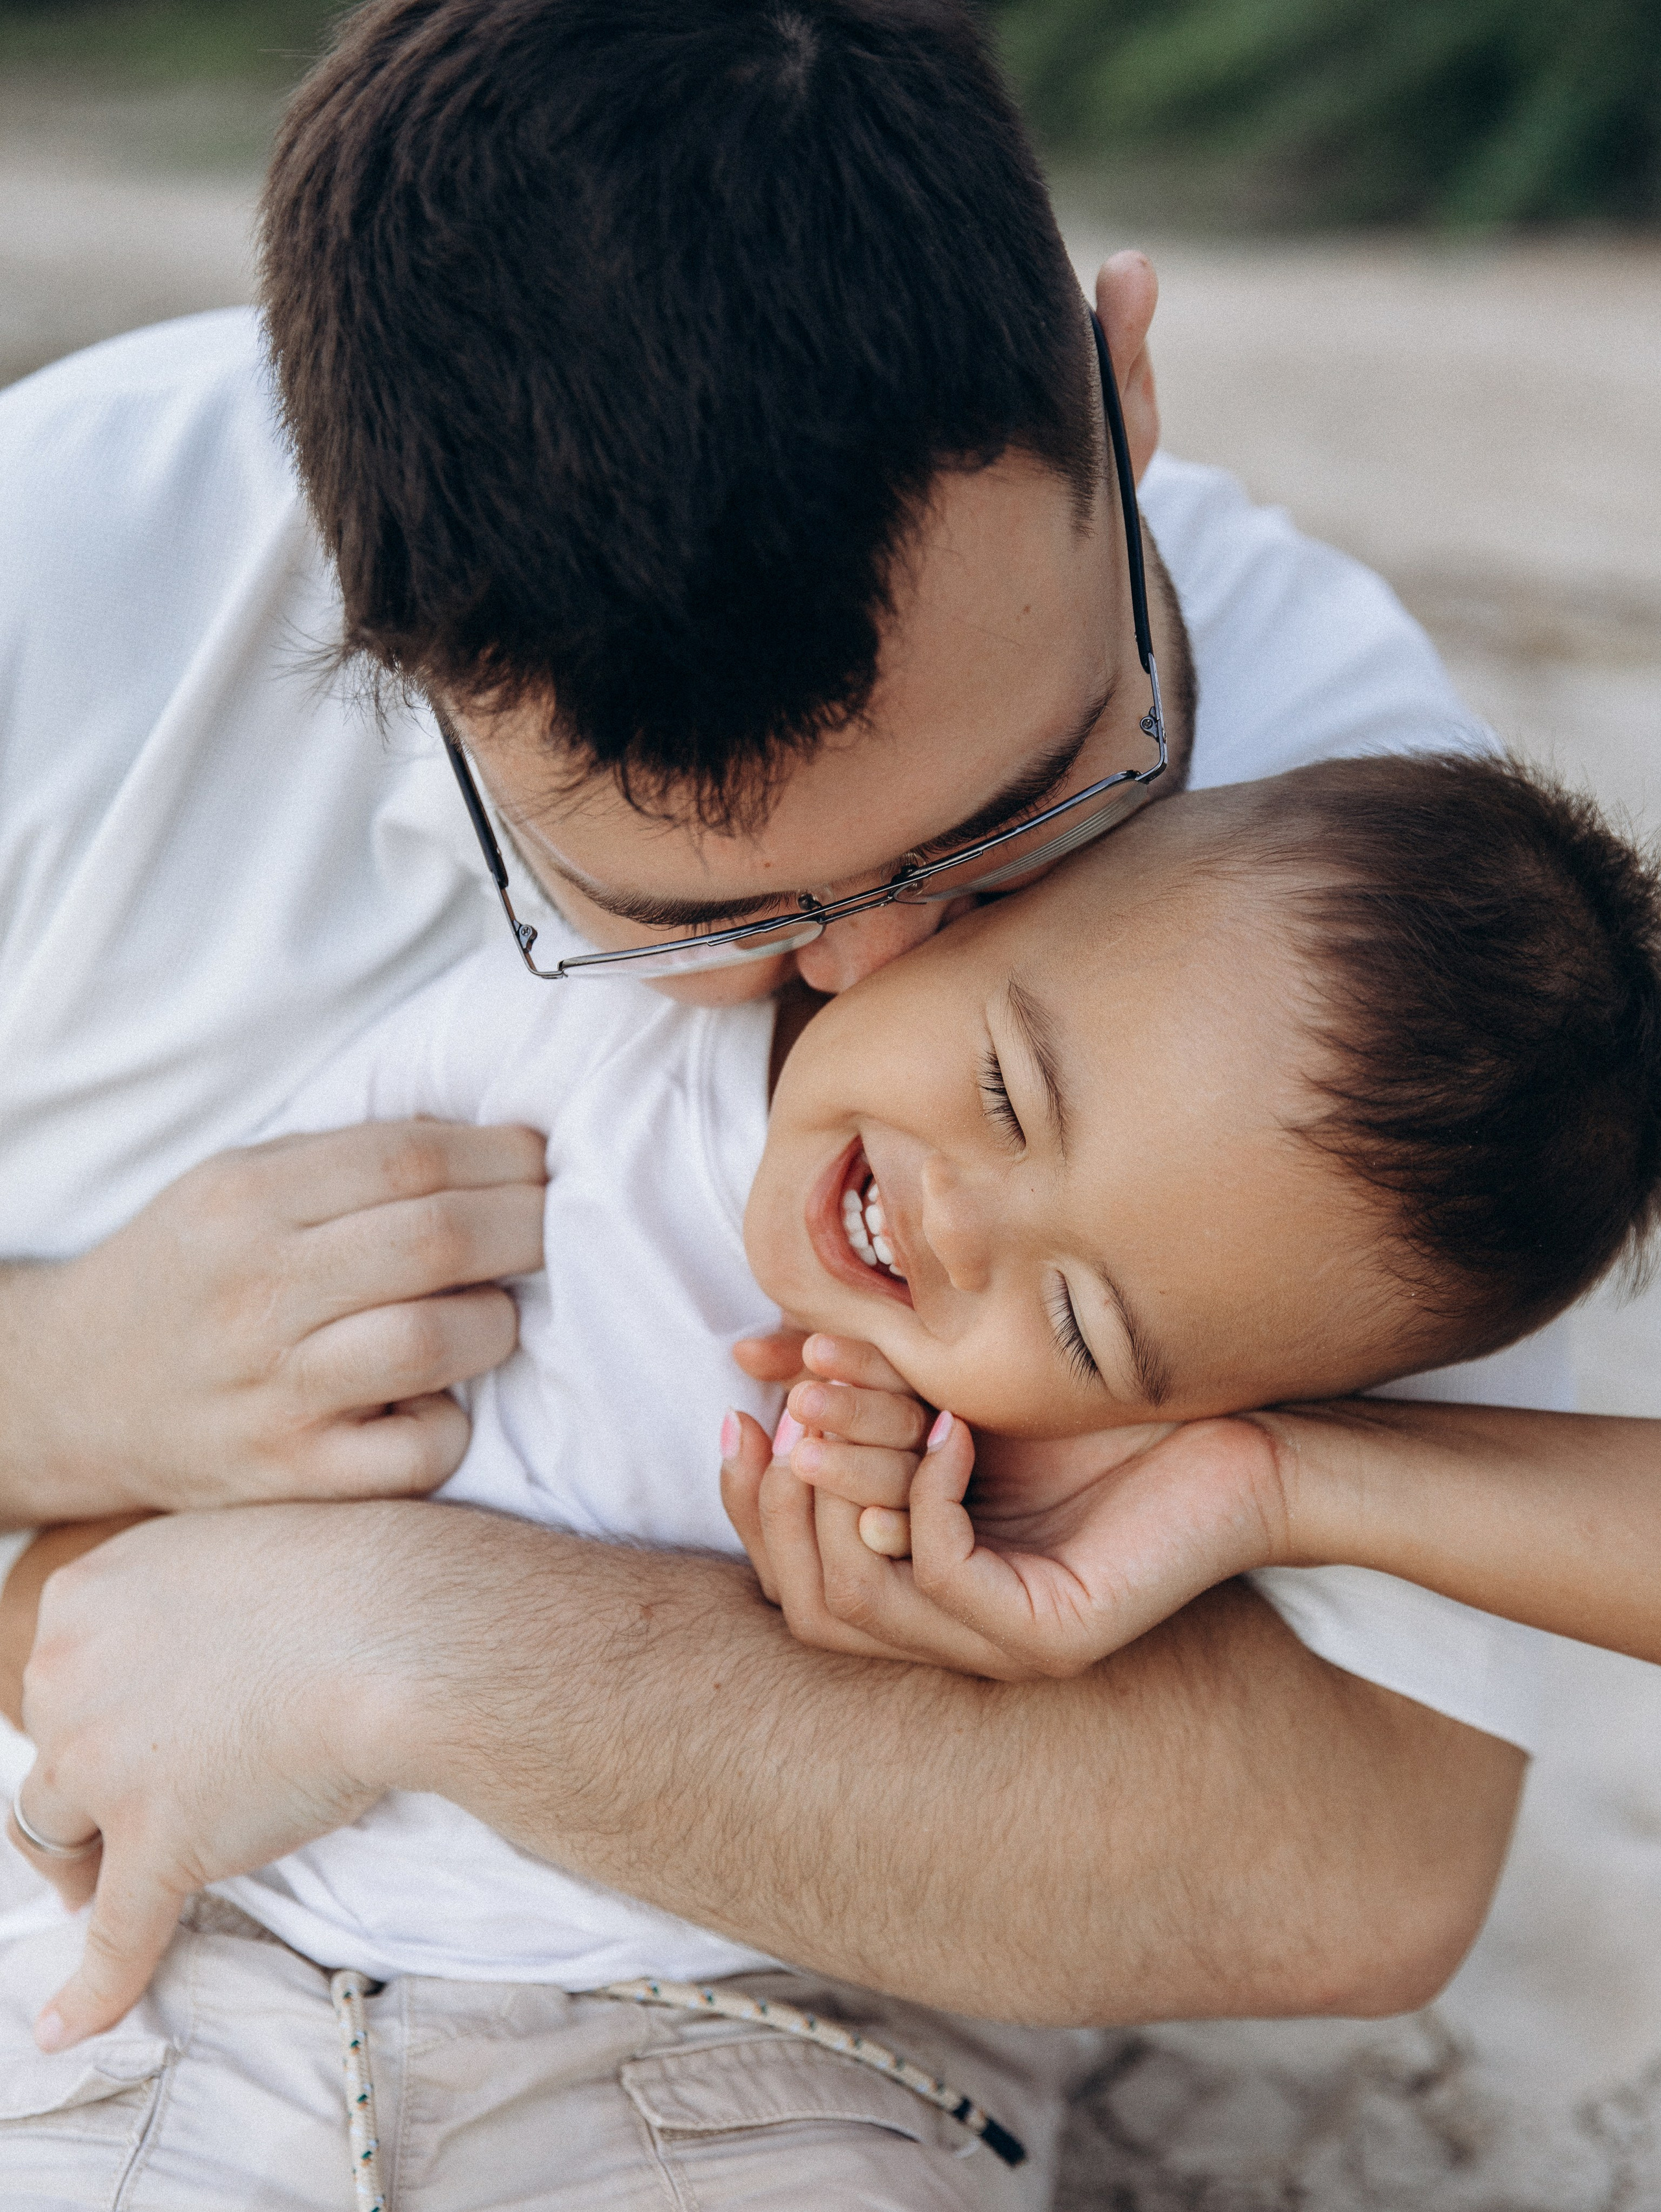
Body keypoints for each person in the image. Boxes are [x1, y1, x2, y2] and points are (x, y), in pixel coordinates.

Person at [0, 0, 1591, 2180]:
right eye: (679, 910)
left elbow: (1365, 1853)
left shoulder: (1325, 836)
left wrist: (410, 1649)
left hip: (740, 2051)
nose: (876, 970)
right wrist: (50, 1380)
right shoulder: (63, 593)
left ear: (1123, 386)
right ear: (366, 637)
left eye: (1027, 808)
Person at [3, 744, 1656, 2207]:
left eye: (1077, 1319)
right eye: (1009, 1090)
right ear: (976, 897)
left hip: (719, 2053)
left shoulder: (1031, 1465)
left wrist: (961, 1560)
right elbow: (102, 1552)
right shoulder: (560, 1070)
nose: (963, 1223)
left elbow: (968, 1770)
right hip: (177, 1970)